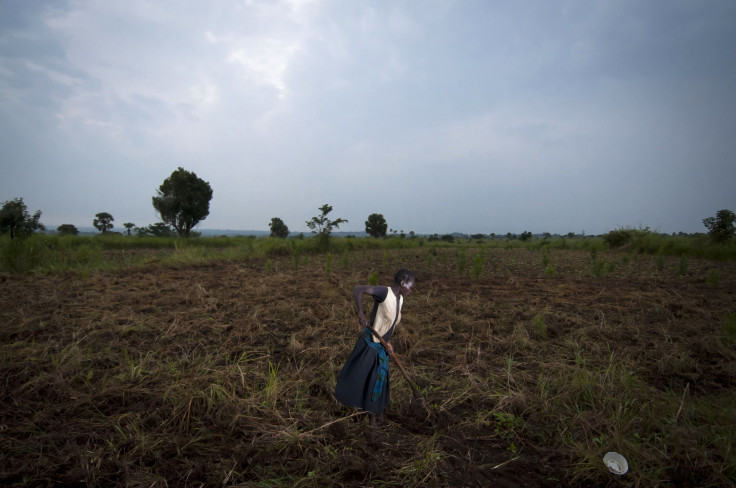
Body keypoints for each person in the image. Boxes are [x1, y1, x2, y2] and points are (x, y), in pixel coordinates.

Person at [334, 268, 416, 427]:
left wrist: (389, 341)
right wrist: (361, 314)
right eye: (410, 287)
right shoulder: (384, 292)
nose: (411, 291)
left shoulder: (400, 299)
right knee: (367, 380)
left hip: (383, 347)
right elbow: (358, 289)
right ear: (402, 283)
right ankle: (371, 418)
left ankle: (376, 412)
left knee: (380, 381)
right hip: (370, 345)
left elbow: (390, 324)